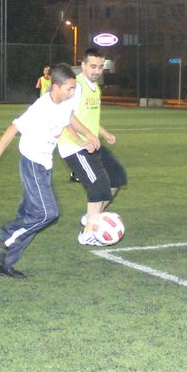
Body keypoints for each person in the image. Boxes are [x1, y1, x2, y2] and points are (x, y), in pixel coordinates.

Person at [0, 63, 99, 278]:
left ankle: (3, 264)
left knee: (31, 215)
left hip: (45, 165)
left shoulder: (65, 101)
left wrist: (86, 137)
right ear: (55, 86)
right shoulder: (40, 108)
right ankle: (5, 238)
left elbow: (69, 121)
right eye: (69, 89)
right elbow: (12, 129)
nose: (73, 93)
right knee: (47, 213)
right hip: (32, 163)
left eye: (74, 88)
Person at [59, 47, 128, 246]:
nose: (96, 71)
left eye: (100, 67)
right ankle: (87, 234)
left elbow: (89, 119)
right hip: (74, 146)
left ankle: (94, 217)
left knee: (117, 178)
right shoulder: (77, 86)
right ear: (83, 65)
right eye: (92, 66)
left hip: (91, 143)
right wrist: (87, 136)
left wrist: (103, 133)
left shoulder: (94, 88)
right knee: (98, 185)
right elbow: (67, 117)